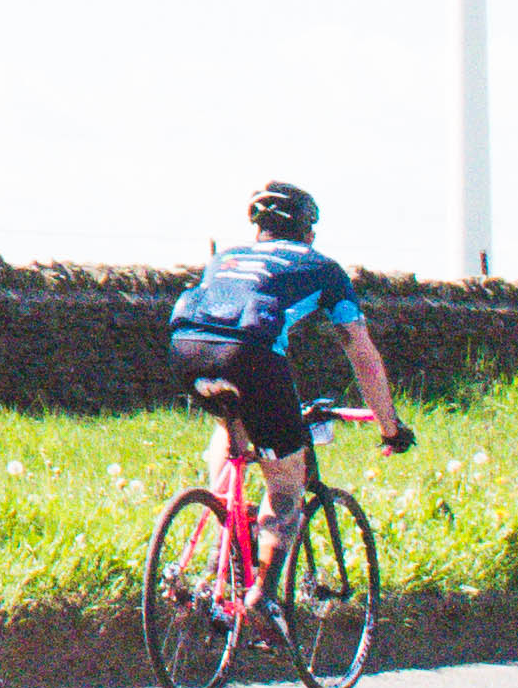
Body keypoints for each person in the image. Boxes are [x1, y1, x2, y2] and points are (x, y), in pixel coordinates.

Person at [165, 181, 402, 547]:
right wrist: (390, 426)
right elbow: (361, 350)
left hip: (185, 348)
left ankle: (222, 544)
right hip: (249, 356)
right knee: (286, 480)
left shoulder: (226, 257)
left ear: (259, 230)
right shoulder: (323, 268)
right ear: (308, 232)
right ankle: (262, 599)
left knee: (231, 431)